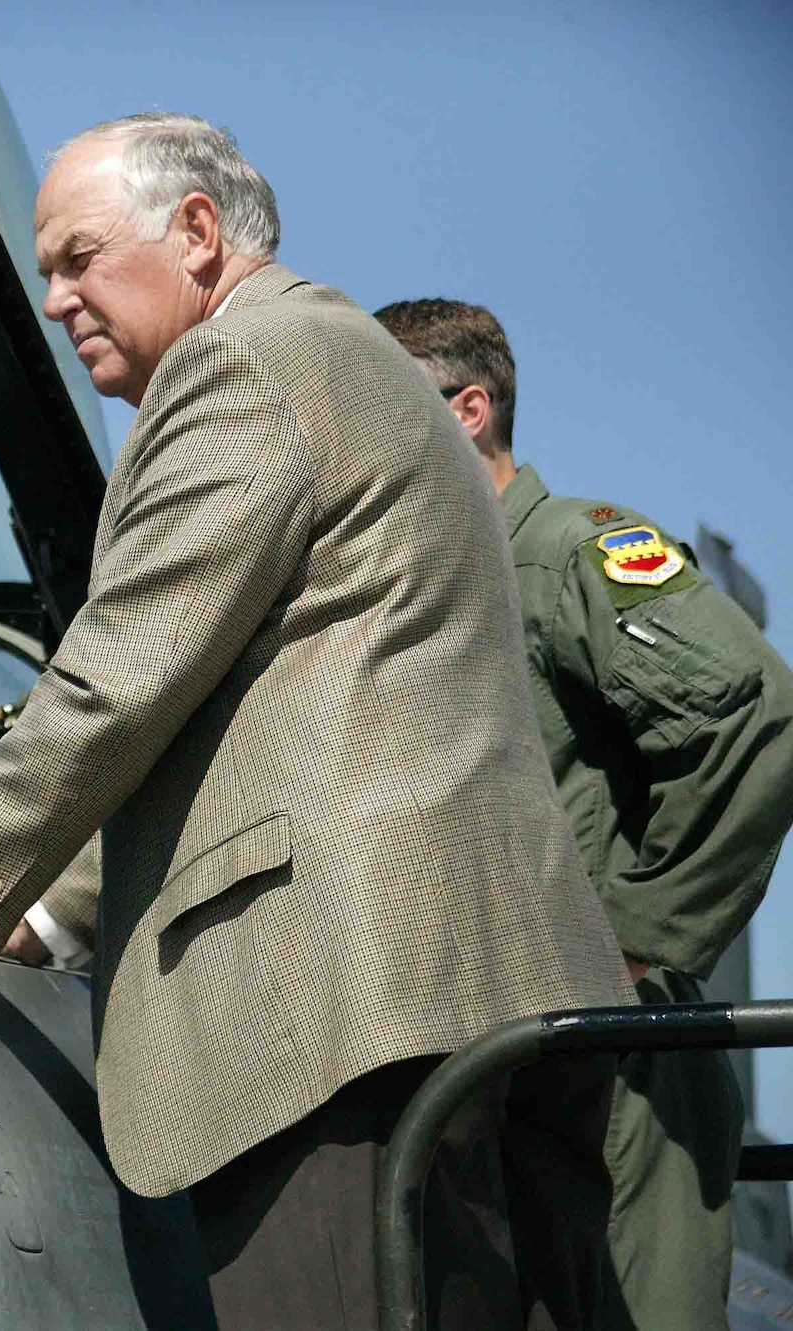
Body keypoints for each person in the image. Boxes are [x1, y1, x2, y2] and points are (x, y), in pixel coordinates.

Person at [0, 112, 632, 1329]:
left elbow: (119, 678)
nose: (51, 298)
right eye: (41, 271)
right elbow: (222, 715)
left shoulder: (240, 365)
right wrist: (45, 913)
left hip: (339, 1011)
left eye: (77, 256)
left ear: (195, 233)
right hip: (485, 989)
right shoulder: (346, 362)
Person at [374, 296, 793, 1329]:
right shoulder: (426, 581)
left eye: (385, 410)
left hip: (607, 1068)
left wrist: (635, 947)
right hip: (484, 1068)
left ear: (466, 409)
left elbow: (755, 718)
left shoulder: (569, 552)